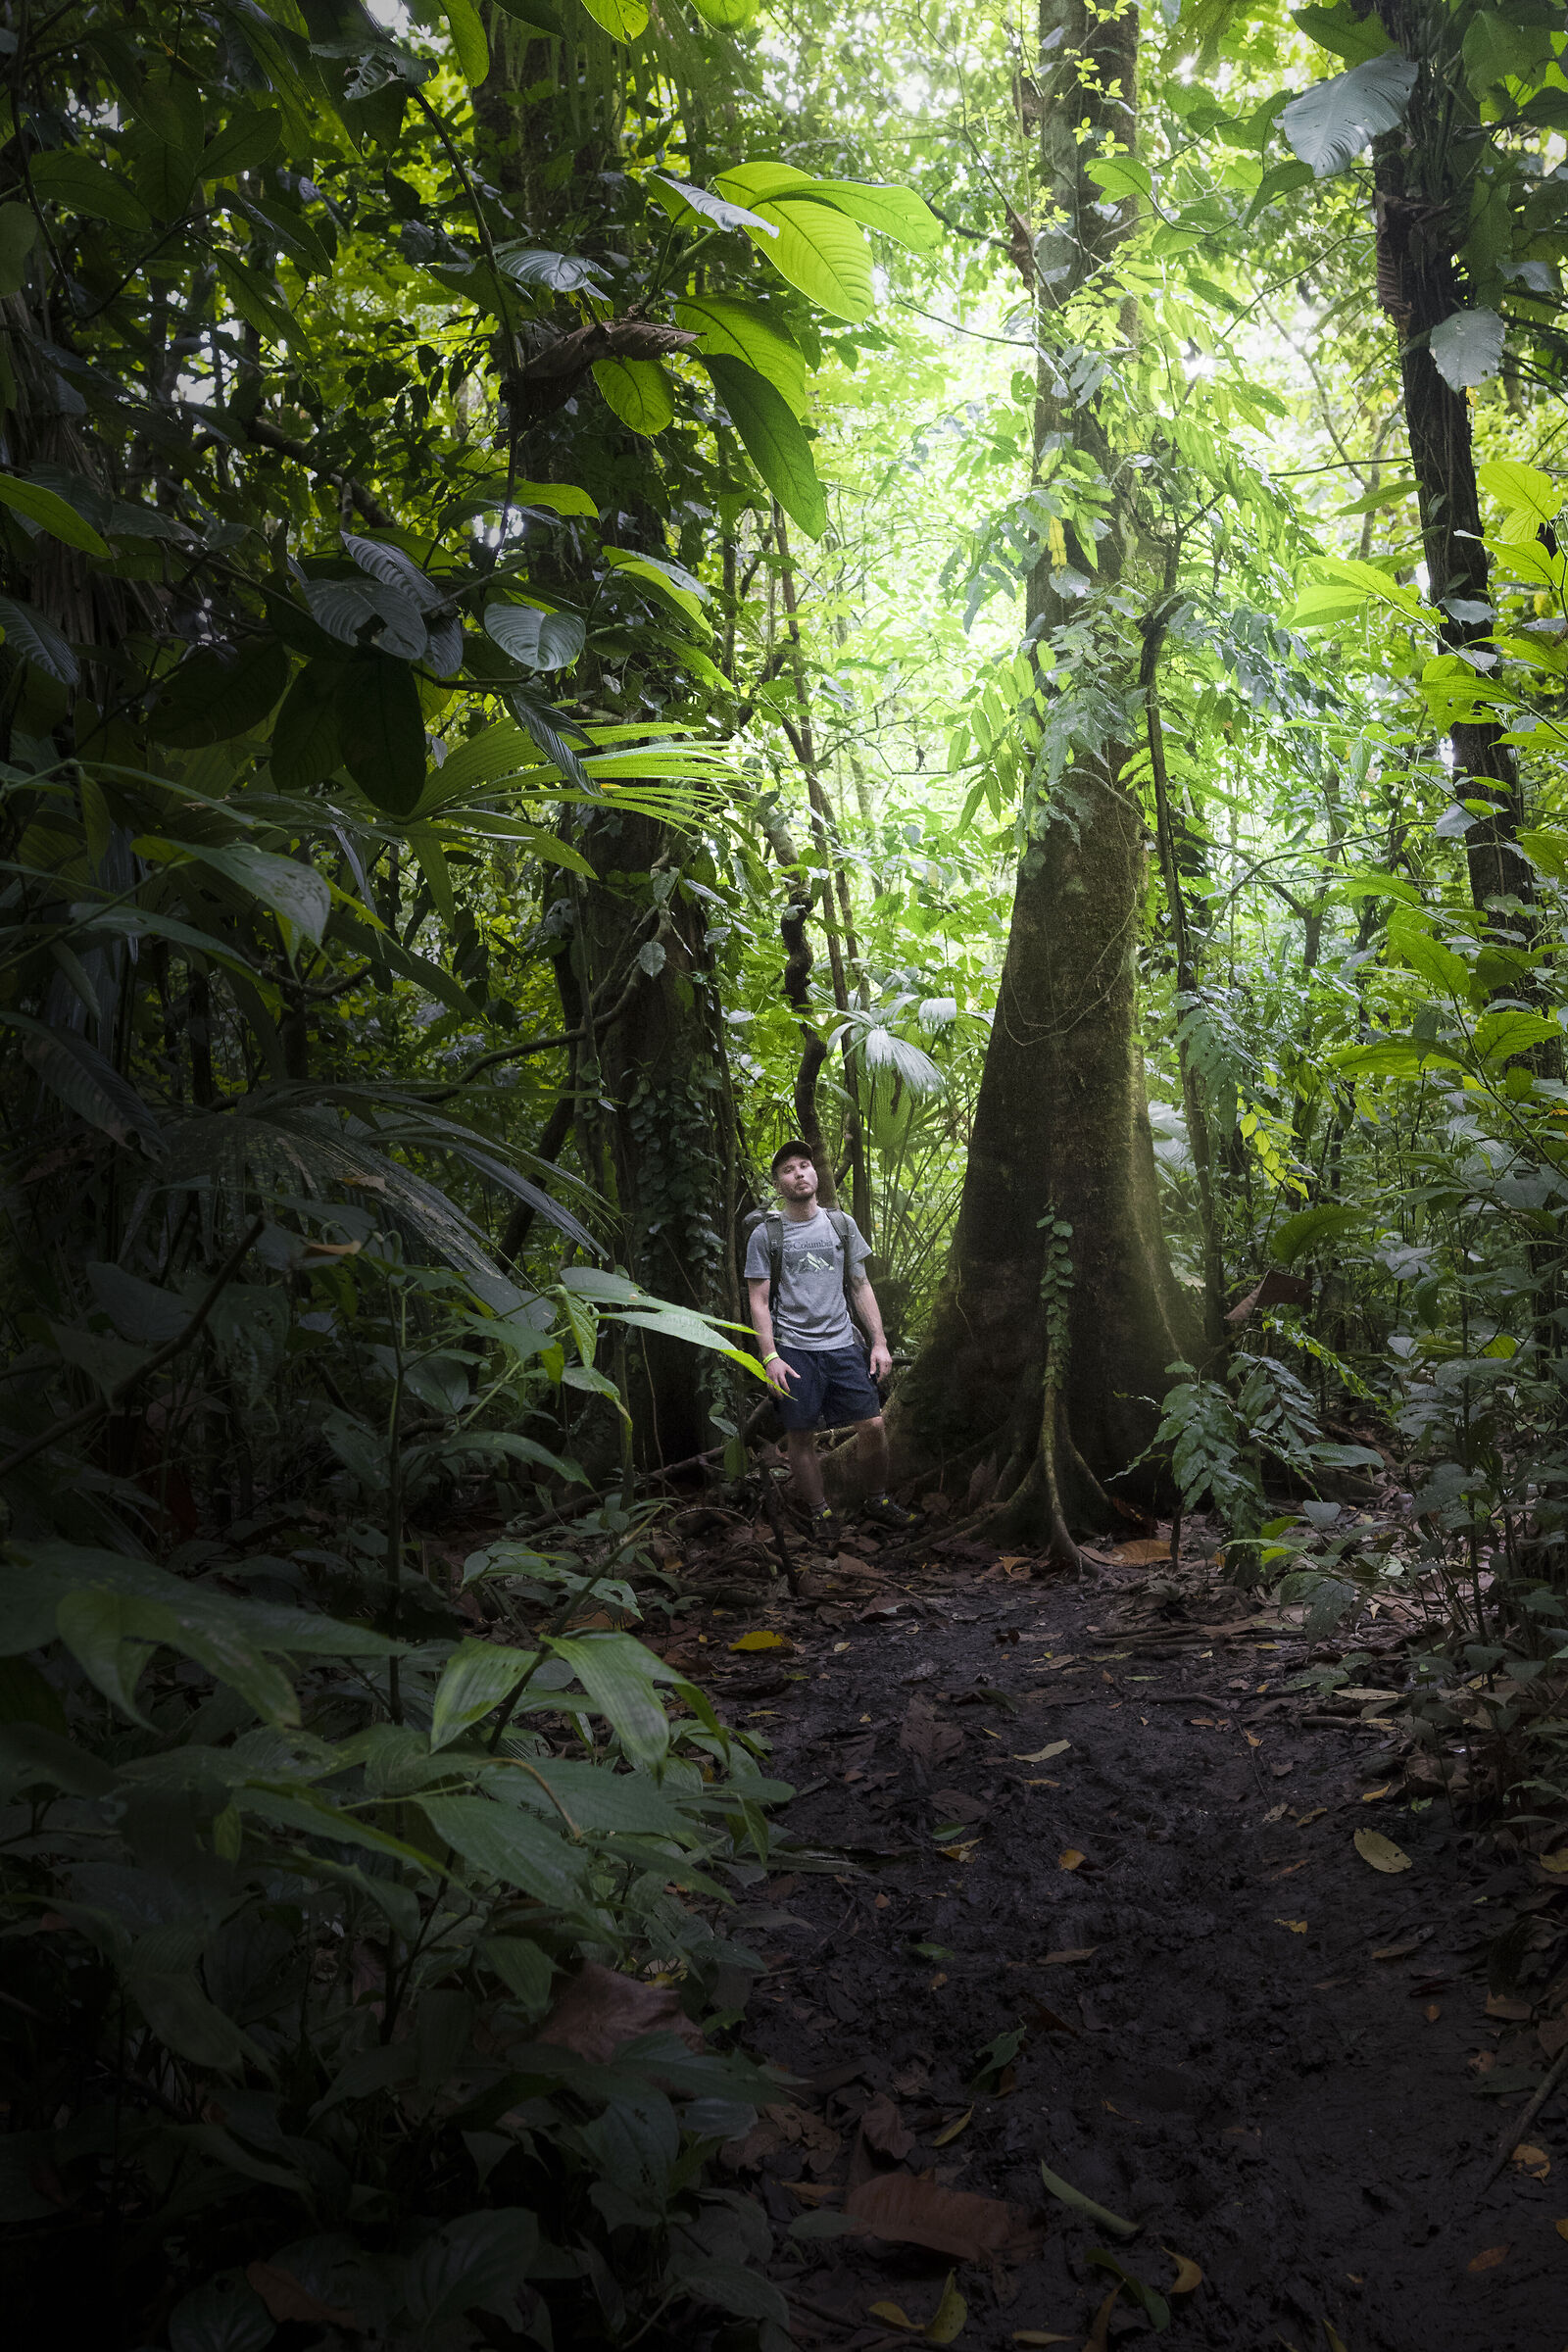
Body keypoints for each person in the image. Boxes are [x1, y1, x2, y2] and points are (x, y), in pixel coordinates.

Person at [745, 1138, 914, 1542]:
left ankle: (877, 1500)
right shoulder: (766, 1235)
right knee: (800, 1435)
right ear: (778, 1183)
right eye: (788, 1170)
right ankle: (821, 1514)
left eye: (804, 1165)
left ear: (816, 1173)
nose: (799, 1173)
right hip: (794, 1348)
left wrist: (879, 1342)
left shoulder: (841, 1224)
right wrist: (769, 1357)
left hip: (842, 1343)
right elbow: (758, 1301)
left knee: (873, 1425)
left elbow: (860, 1285)